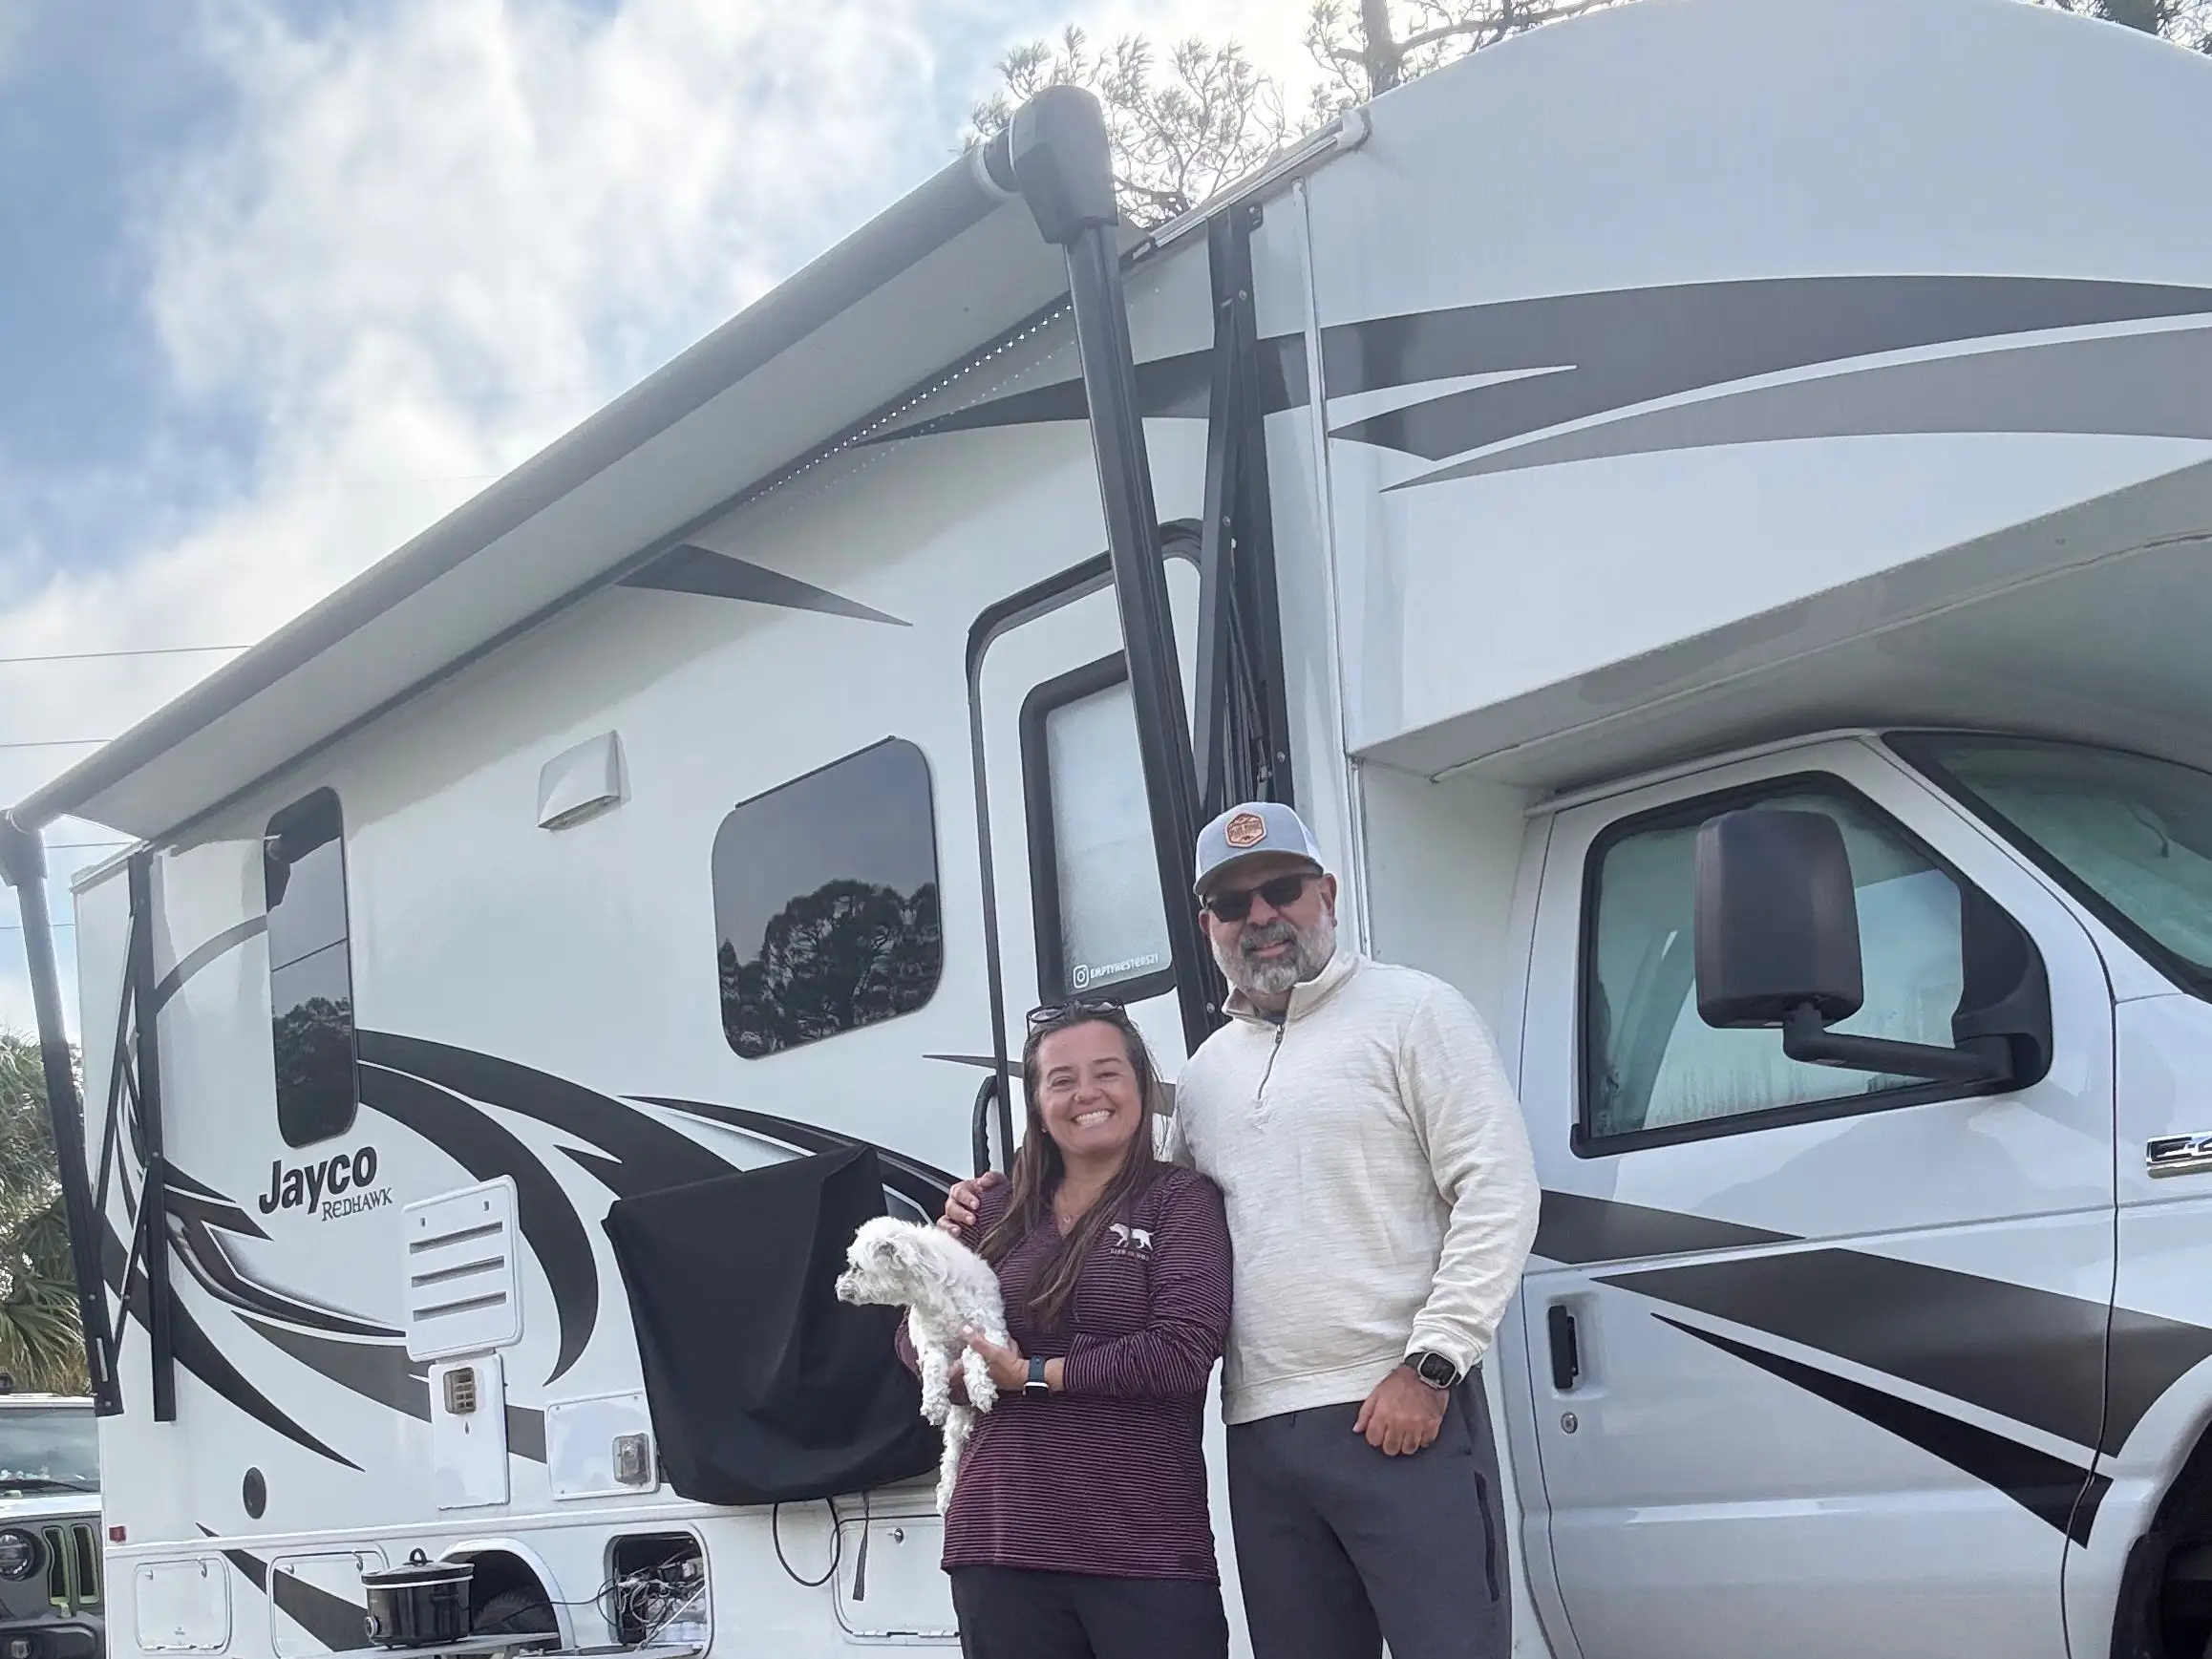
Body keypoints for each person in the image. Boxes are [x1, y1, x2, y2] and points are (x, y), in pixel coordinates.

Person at [945, 800, 1541, 1659]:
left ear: (1326, 893)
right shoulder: (1208, 1070)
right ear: (1208, 925)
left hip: (1398, 1406)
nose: (1261, 917)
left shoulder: (1415, 1012)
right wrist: (983, 1200)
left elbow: (1499, 1189)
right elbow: (1114, 1175)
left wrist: (1435, 1361)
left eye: (1282, 889)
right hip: (1260, 1435)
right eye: (1233, 903)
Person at [901, 1000, 1233, 1659]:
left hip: (1145, 1546)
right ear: (1038, 1103)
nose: (1087, 1094)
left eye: (1107, 1072)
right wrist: (966, 1365)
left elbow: (1181, 1351)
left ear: (1140, 1086)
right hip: (1000, 1539)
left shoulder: (1181, 1199)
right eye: (1061, 1079)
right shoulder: (988, 1208)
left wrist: (1030, 1375)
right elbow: (917, 1338)